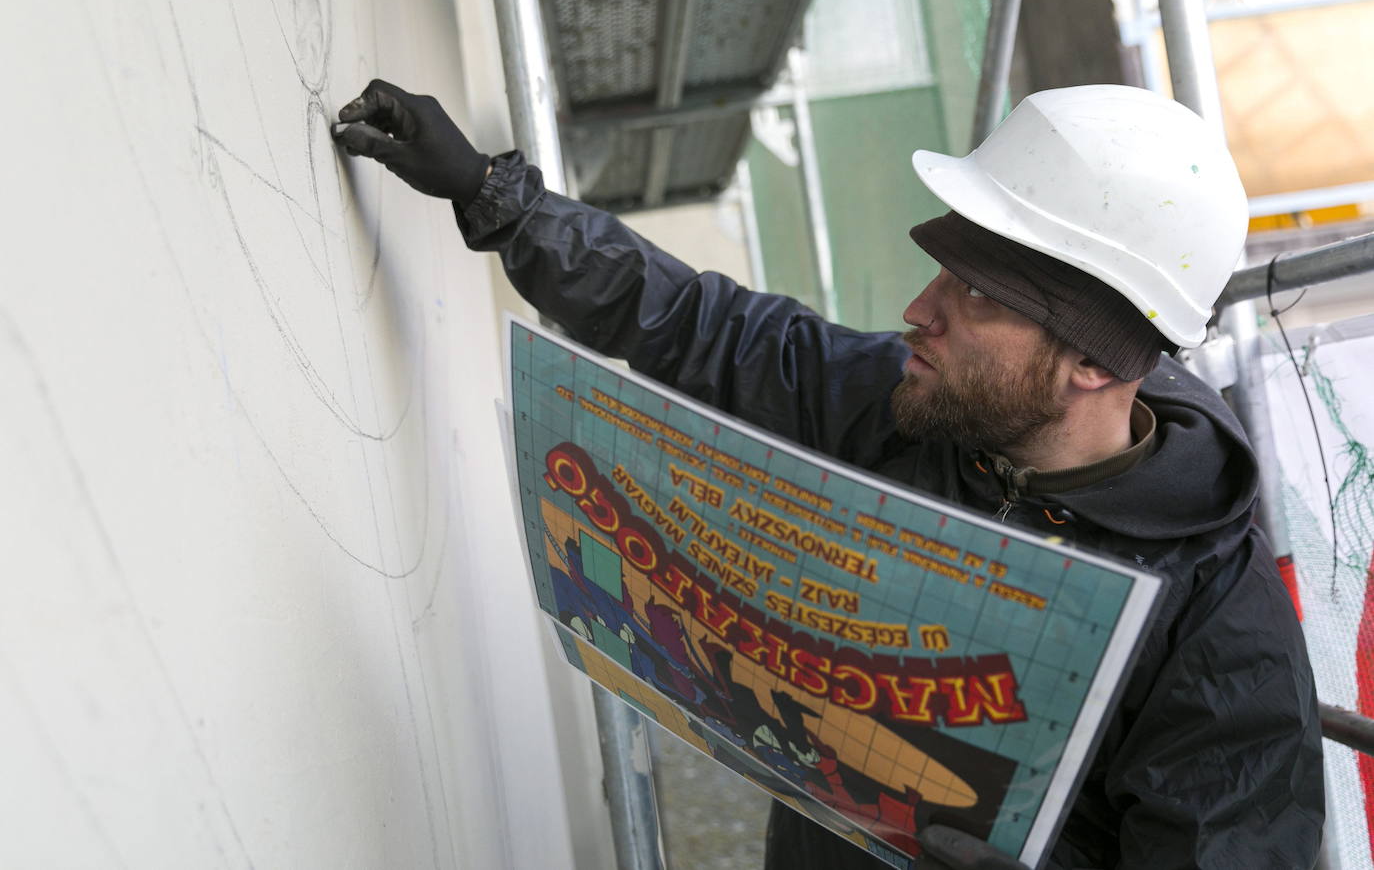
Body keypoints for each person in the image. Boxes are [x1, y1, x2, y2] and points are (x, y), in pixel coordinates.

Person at [333, 80, 1324, 869]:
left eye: (974, 292)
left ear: (1095, 362)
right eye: (941, 269)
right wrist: (494, 196)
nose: (917, 309)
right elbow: (699, 325)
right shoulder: (918, 409)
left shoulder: (1220, 644)